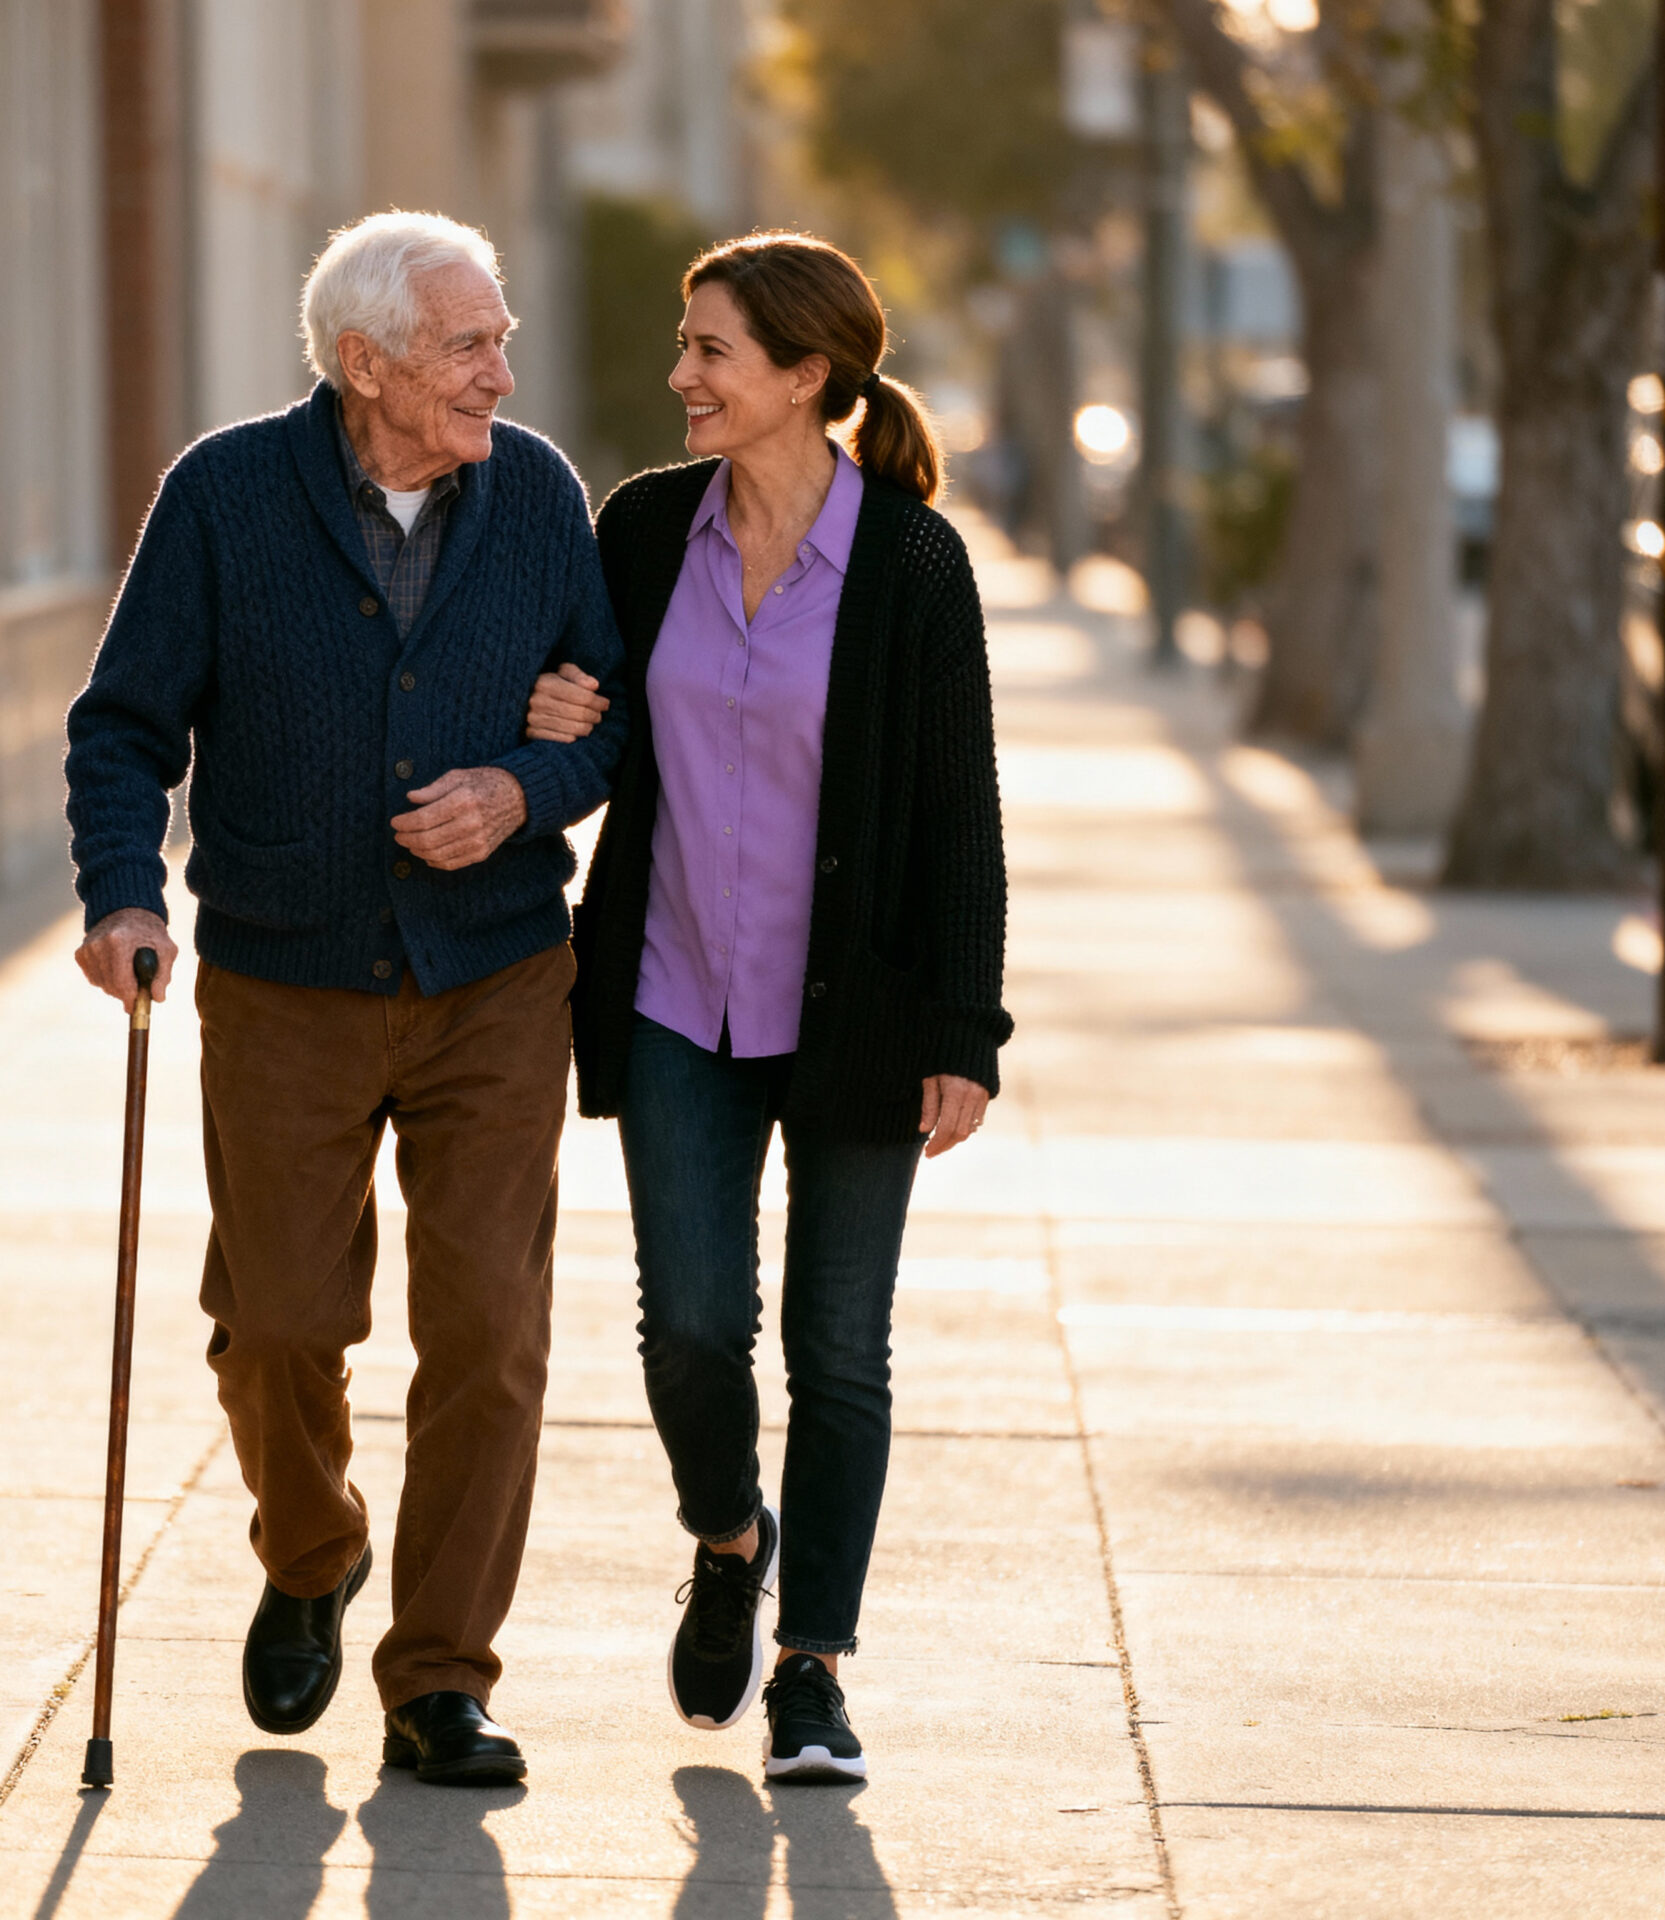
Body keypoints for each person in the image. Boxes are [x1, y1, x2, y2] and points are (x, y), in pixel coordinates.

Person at [66, 211, 627, 1786]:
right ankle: (312, 1555)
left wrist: (523, 792)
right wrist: (123, 893)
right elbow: (121, 728)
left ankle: (440, 1675)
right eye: (469, 347)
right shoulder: (226, 496)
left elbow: (607, 719)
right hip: (283, 977)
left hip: (497, 972)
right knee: (274, 1325)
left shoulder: (534, 497)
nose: (502, 374)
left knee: (489, 1335)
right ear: (365, 362)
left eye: (501, 339)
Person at [523, 232, 1010, 1784]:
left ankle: (814, 1671)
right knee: (689, 1327)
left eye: (711, 351)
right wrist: (548, 712)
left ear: (805, 377)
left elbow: (961, 819)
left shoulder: (915, 565)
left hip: (858, 1013)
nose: (681, 376)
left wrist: (967, 1033)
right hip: (672, 994)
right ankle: (730, 1536)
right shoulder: (644, 529)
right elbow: (577, 707)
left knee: (840, 1351)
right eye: (683, 345)